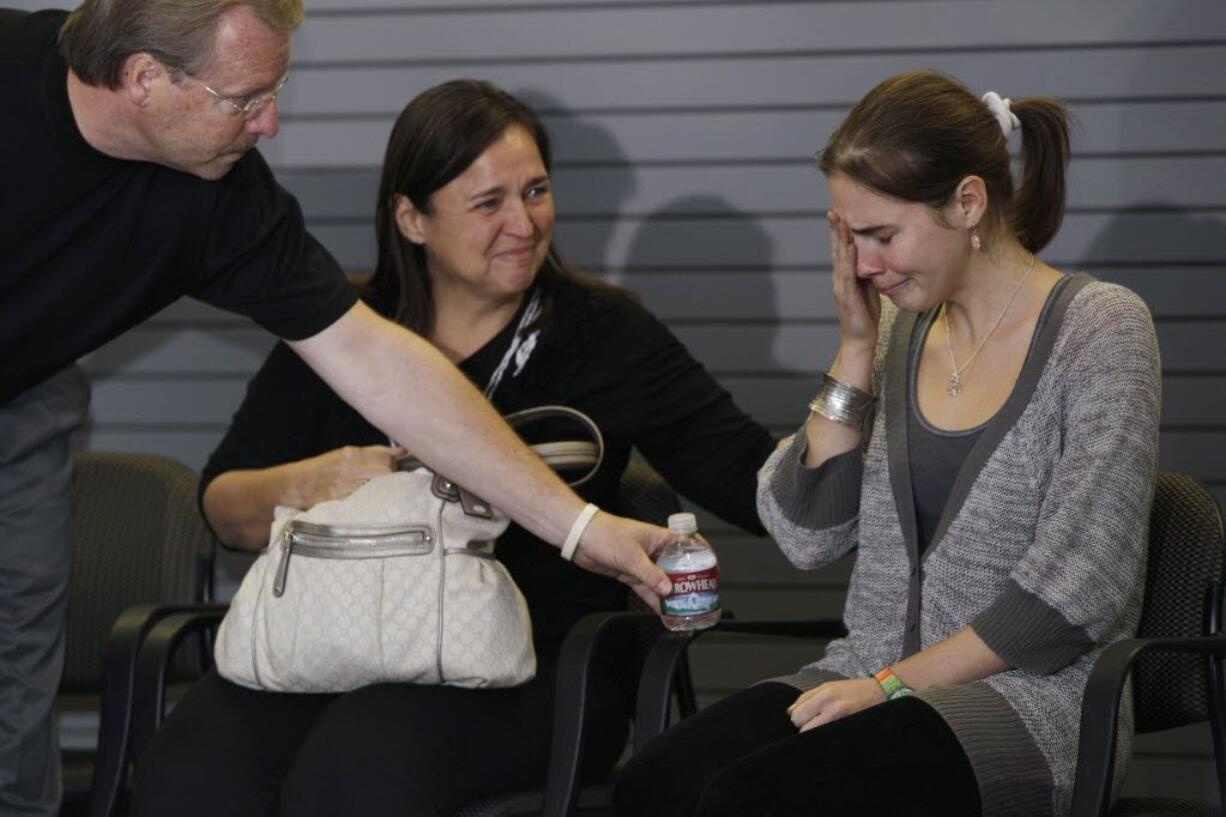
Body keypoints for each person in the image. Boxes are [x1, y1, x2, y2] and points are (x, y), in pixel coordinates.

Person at [0, 5, 674, 814]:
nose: (272, 123)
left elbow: (375, 356)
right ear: (146, 79)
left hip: (22, 392)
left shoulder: (225, 201)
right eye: (246, 98)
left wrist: (577, 526)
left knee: (12, 675)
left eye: (276, 89)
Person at [128, 79, 776, 817]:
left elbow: (758, 486)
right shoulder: (343, 332)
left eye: (535, 191)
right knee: (187, 773)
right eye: (488, 202)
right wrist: (308, 480)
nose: (524, 223)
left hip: (538, 663)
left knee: (354, 771)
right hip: (336, 645)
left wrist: (856, 382)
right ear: (411, 218)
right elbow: (223, 507)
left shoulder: (606, 336)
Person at [613, 70, 1162, 817]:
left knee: (757, 800)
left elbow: (1071, 598)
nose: (864, 266)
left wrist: (891, 685)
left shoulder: (1100, 331)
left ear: (968, 201)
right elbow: (806, 532)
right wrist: (855, 345)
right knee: (654, 787)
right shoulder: (902, 330)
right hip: (866, 677)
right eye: (849, 238)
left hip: (1031, 708)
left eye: (881, 235)